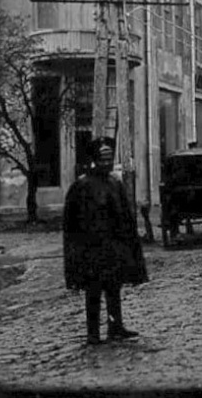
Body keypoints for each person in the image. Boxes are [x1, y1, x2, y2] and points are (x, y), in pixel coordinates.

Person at [63, 138, 148, 346]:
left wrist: (130, 246)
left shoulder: (114, 183)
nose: (106, 163)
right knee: (93, 290)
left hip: (113, 247)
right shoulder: (81, 186)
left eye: (109, 158)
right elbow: (71, 225)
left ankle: (116, 327)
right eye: (102, 158)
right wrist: (76, 254)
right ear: (93, 159)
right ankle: (93, 333)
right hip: (91, 249)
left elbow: (125, 217)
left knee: (113, 287)